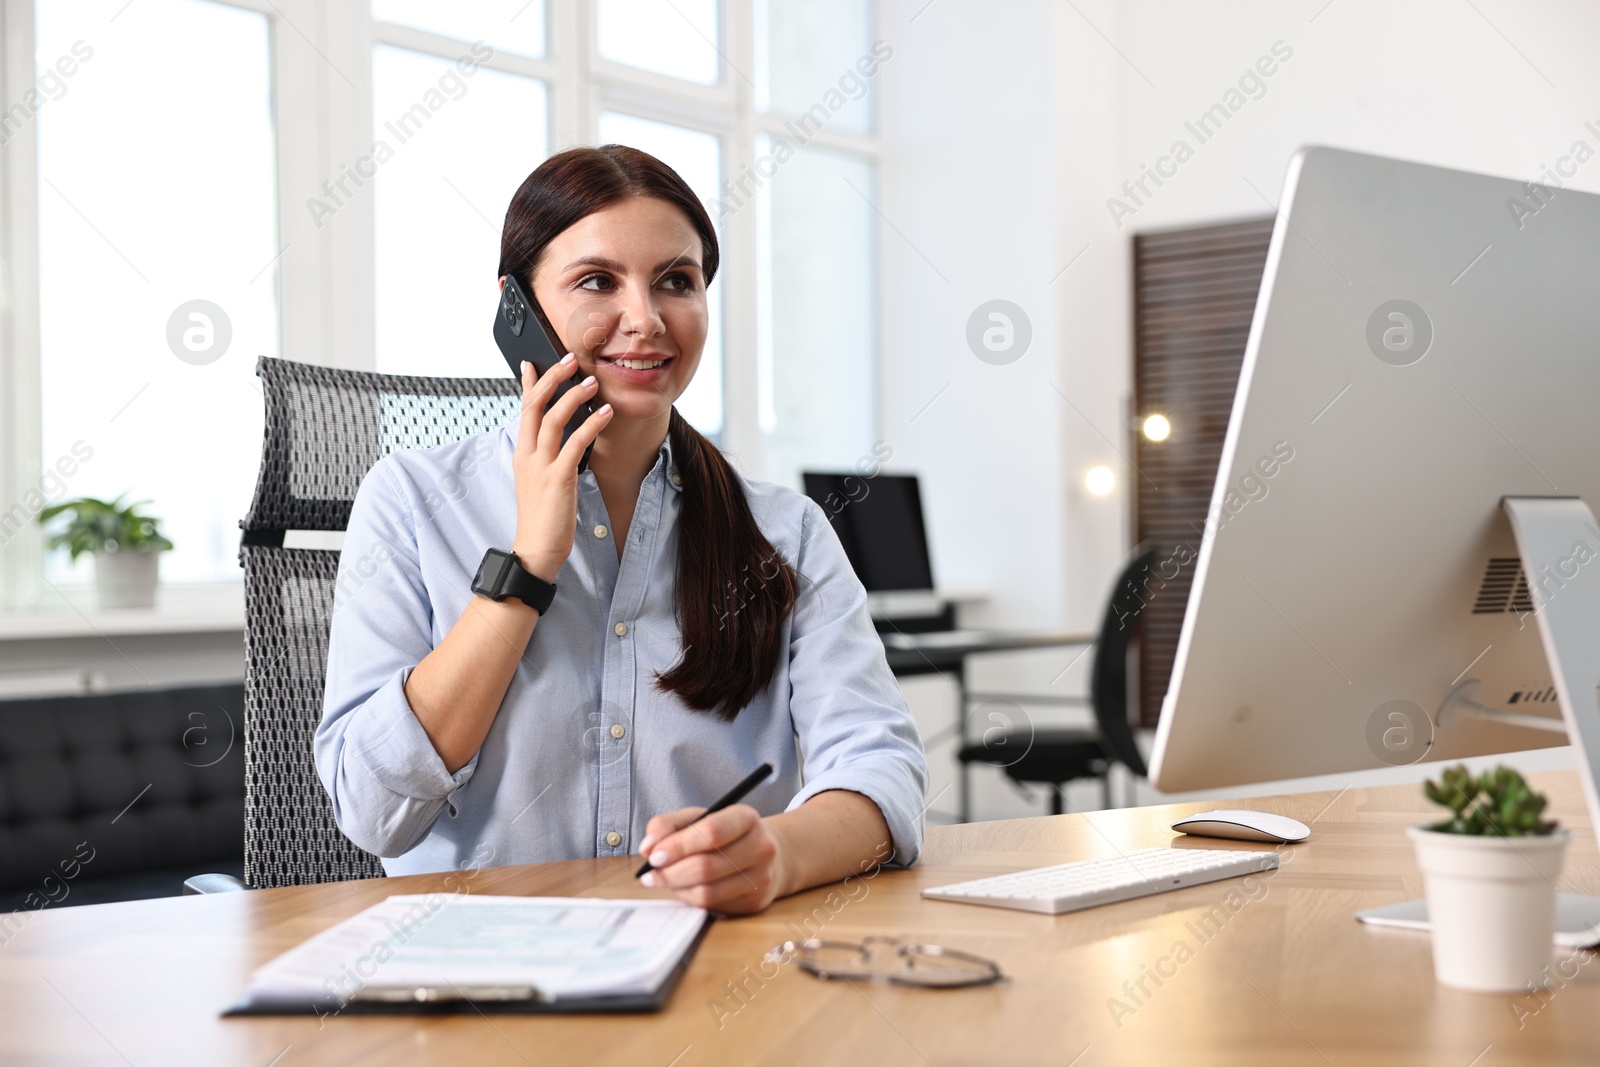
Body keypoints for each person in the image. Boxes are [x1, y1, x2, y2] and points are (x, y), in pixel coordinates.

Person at [315, 145, 928, 915]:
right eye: (597, 281)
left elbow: (882, 768)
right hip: (475, 978)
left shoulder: (786, 531)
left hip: (709, 971)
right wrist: (529, 564)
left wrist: (778, 854)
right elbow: (372, 811)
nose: (645, 320)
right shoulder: (410, 503)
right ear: (519, 310)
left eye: (677, 281)